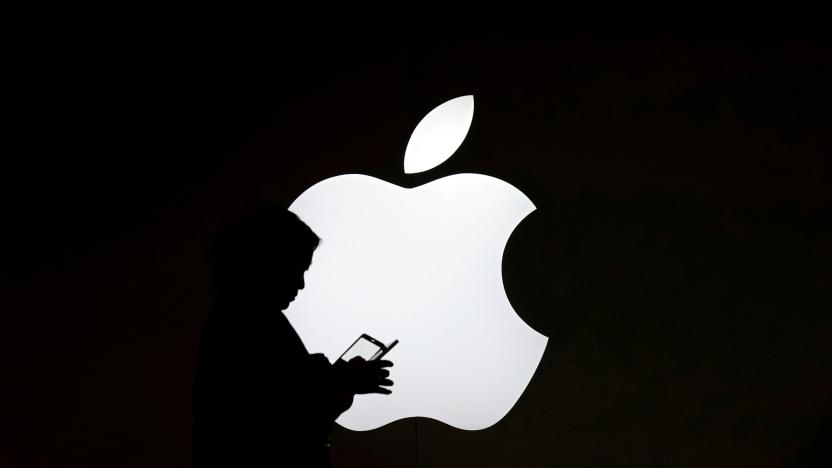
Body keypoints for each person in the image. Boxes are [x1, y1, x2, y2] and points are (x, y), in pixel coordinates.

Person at [192, 205, 393, 467]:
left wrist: (338, 380)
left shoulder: (237, 315)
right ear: (269, 263)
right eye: (298, 268)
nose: (301, 283)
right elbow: (280, 407)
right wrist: (340, 379)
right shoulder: (250, 319)